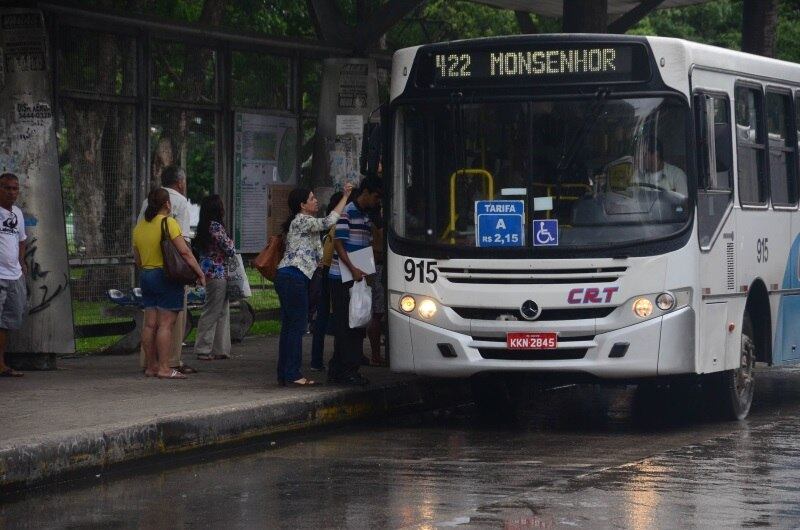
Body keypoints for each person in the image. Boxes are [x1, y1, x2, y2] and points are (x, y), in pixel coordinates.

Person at [274, 183, 354, 387]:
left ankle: (285, 373)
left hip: (289, 276)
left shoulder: (302, 224)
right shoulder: (303, 220)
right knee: (297, 327)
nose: (315, 200)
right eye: (311, 198)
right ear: (302, 205)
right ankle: (293, 374)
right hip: (294, 277)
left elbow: (316, 253)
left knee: (290, 327)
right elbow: (329, 221)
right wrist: (345, 197)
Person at [133, 188, 205, 379]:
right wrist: (200, 273)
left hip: (146, 275)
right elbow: (185, 253)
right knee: (166, 324)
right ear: (167, 204)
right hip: (165, 276)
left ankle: (151, 366)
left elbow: (138, 259)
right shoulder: (168, 223)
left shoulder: (139, 227)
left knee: (149, 325)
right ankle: (165, 368)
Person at [328, 177, 383, 386]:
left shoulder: (366, 216)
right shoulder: (348, 212)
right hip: (343, 276)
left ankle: (339, 368)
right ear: (366, 192)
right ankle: (347, 370)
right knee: (348, 325)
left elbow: (365, 244)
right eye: (376, 197)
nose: (377, 202)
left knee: (356, 323)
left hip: (358, 275)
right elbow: (339, 244)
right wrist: (353, 269)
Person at [192, 195, 235, 361]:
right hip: (218, 273)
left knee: (220, 309)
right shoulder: (216, 227)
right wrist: (231, 242)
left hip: (208, 272)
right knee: (214, 311)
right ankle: (204, 348)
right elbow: (229, 248)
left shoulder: (203, 227)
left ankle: (220, 349)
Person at [309, 192, 343, 372]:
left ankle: (317, 359)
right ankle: (325, 360)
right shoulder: (333, 224)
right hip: (330, 271)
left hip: (324, 271)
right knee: (331, 316)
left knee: (322, 317)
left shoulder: (327, 225)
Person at [0, 173, 27, 377]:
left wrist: (21, 261)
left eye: (14, 188)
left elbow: (21, 240)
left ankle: (2, 363)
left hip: (14, 274)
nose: (11, 192)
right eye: (7, 188)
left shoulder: (17, 213)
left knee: (9, 321)